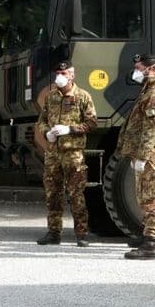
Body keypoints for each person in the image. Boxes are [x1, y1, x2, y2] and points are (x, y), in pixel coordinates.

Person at [34, 61, 98, 247]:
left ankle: (81, 234)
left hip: (73, 153)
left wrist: (69, 129)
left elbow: (92, 123)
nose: (59, 76)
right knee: (53, 194)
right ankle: (54, 233)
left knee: (76, 194)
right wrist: (47, 133)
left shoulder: (83, 96)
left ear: (71, 75)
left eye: (63, 73)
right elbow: (43, 120)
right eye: (57, 73)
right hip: (53, 153)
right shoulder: (51, 97)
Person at [121, 54, 155, 260]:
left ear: (150, 68)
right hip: (145, 152)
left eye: (139, 67)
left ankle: (152, 243)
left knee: (150, 197)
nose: (136, 70)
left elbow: (152, 128)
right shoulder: (149, 89)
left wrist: (142, 155)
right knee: (144, 196)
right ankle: (149, 238)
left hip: (150, 154)